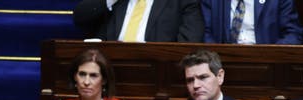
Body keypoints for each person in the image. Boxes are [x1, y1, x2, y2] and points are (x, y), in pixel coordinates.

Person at [72, 0, 204, 42]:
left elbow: (190, 41)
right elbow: (80, 17)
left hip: (157, 73)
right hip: (108, 71)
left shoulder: (182, 2)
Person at [201, 0, 303, 44]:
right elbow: (206, 33)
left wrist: (271, 53)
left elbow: (293, 34)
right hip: (223, 61)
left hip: (267, 62)